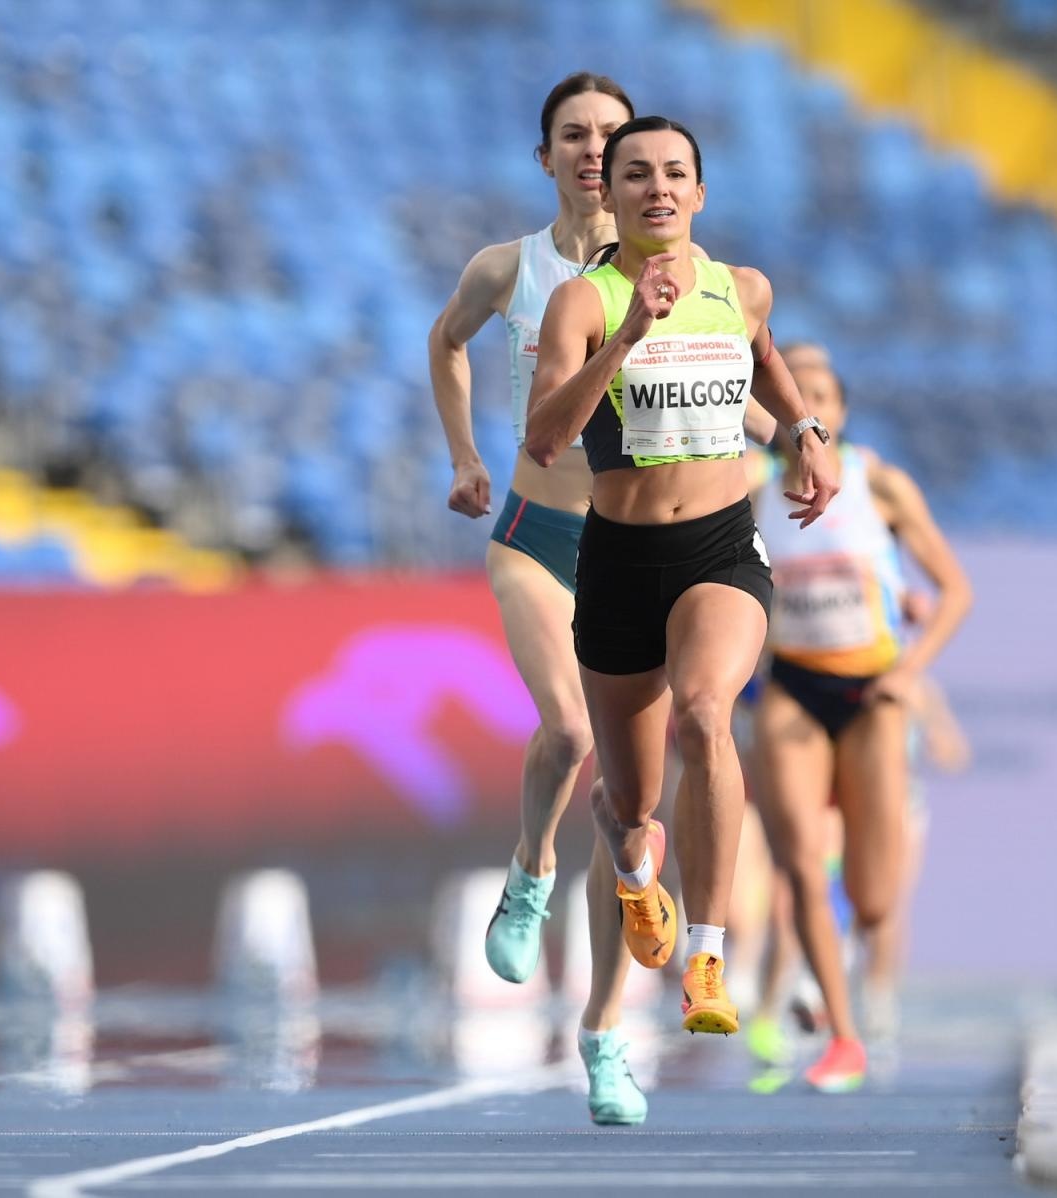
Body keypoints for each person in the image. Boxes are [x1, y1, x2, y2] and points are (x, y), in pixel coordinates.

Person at [524, 115, 838, 1041]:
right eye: (635, 174)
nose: (656, 188)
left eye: (674, 173)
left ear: (700, 193)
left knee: (706, 712)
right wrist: (624, 338)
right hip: (619, 563)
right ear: (607, 194)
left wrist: (804, 434)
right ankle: (634, 876)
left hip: (718, 551)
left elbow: (769, 359)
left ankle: (708, 953)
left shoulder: (739, 289)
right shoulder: (582, 305)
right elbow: (544, 438)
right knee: (630, 806)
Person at [427, 71, 650, 1126]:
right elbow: (445, 342)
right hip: (532, 532)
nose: (593, 149)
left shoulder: (667, 276)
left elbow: (722, 381)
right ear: (546, 156)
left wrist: (791, 438)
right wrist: (467, 455)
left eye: (611, 133)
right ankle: (528, 872)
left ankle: (603, 1034)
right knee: (564, 735)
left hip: (636, 548)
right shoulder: (506, 268)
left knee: (633, 805)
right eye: (574, 134)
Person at [750, 345, 972, 1090]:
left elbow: (954, 593)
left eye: (820, 395)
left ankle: (849, 971)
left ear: (839, 413)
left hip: (871, 694)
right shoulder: (750, 486)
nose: (805, 406)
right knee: (801, 867)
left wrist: (907, 674)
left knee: (875, 900)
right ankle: (840, 1035)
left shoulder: (880, 484)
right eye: (791, 393)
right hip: (793, 690)